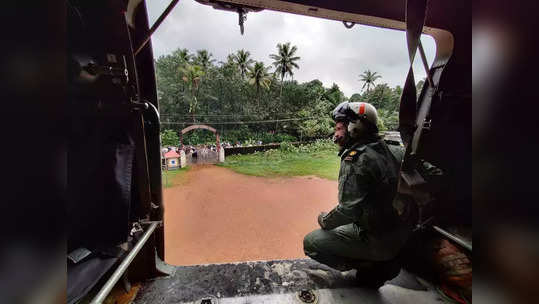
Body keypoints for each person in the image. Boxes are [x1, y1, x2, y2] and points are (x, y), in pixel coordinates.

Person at [303, 101, 410, 288]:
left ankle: (372, 265)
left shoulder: (356, 159)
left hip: (377, 238)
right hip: (399, 235)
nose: (335, 134)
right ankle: (382, 264)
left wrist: (324, 220)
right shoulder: (395, 149)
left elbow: (347, 211)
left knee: (312, 242)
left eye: (338, 128)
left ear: (355, 127)